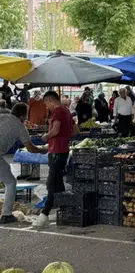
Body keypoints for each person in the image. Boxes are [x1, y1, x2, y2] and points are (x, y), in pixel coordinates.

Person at [35, 91, 77, 227]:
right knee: (57, 182)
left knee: (52, 182)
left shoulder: (58, 111)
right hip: (62, 149)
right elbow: (76, 130)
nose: (46, 107)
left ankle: (45, 213)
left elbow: (55, 130)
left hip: (57, 151)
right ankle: (64, 209)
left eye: (46, 103)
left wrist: (46, 137)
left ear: (50, 100)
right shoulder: (66, 111)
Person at [0, 103, 46, 224]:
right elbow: (31, 148)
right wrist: (43, 150)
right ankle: (6, 215)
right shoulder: (20, 126)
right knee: (10, 182)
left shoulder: (3, 116)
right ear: (23, 115)